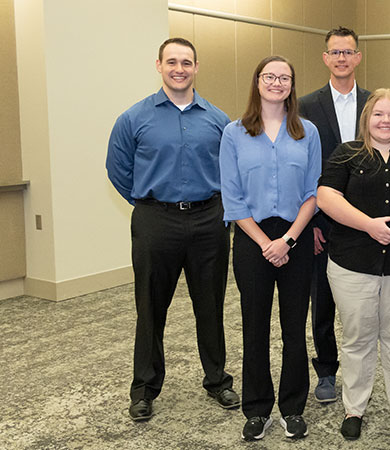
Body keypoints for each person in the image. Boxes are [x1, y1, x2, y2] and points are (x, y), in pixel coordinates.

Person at [106, 37, 238, 422]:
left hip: (209, 219)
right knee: (150, 307)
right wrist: (149, 205)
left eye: (187, 62)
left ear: (196, 68)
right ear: (159, 66)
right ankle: (144, 389)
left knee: (210, 306)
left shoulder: (217, 119)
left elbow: (231, 171)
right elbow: (118, 169)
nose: (179, 68)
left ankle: (217, 381)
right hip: (155, 220)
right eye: (172, 62)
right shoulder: (134, 118)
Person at [317, 88, 390, 441]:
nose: (386, 121)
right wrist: (369, 225)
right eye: (379, 114)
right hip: (352, 264)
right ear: (366, 118)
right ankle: (355, 407)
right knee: (357, 338)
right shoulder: (346, 154)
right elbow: (326, 197)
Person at [219, 55, 321, 441]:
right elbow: (232, 197)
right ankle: (257, 410)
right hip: (251, 239)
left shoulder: (307, 132)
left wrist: (289, 240)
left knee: (295, 328)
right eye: (269, 76)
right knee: (255, 327)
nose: (277, 82)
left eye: (284, 77)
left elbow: (313, 192)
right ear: (257, 82)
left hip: (296, 236)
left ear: (292, 85)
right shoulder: (234, 133)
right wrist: (266, 243)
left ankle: (293, 408)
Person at [298, 26, 370, 404]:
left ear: (358, 57)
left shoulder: (376, 104)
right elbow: (302, 169)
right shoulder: (306, 106)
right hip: (321, 223)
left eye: (348, 52)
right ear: (325, 58)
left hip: (368, 223)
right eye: (335, 52)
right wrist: (307, 223)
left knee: (366, 303)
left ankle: (366, 373)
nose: (342, 58)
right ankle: (326, 370)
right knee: (322, 300)